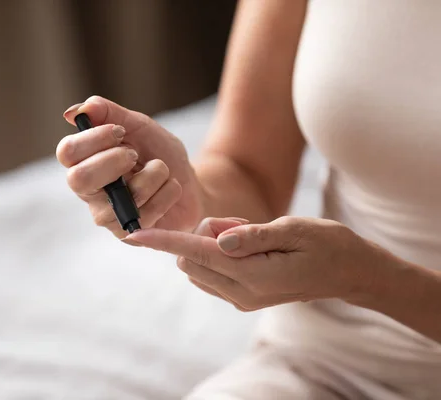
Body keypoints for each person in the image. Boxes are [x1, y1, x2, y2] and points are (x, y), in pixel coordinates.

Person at [56, 1, 441, 398]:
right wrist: (189, 196)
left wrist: (368, 278)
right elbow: (251, 171)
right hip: (325, 365)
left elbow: (360, 275)